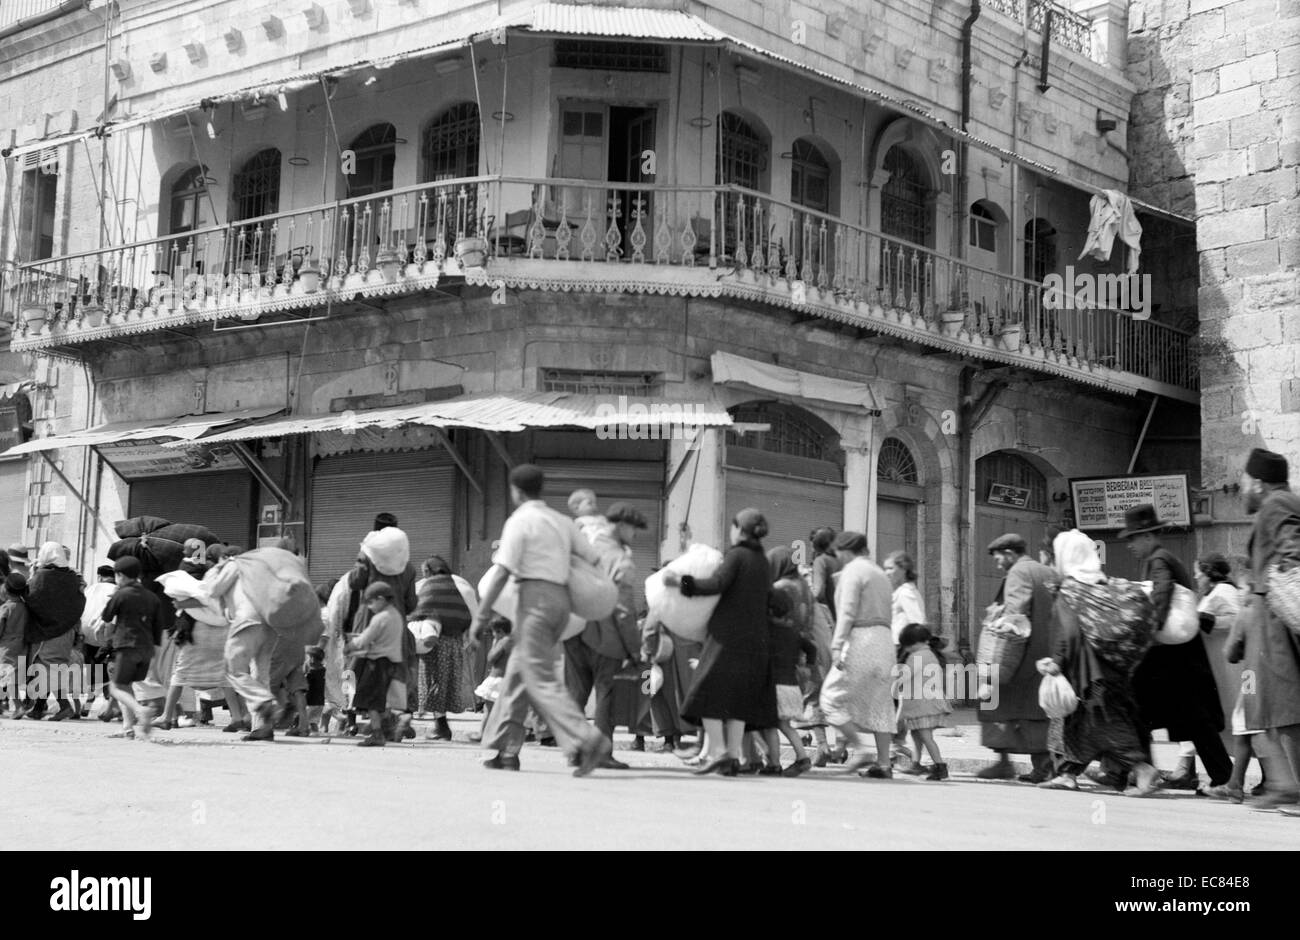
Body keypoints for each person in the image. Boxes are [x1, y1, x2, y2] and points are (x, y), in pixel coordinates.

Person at [473, 464, 613, 775]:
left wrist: (481, 616)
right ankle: (506, 751)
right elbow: (592, 558)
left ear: (515, 491)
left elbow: (502, 572)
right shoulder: (562, 521)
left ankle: (587, 739)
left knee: (539, 678)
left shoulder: (520, 521)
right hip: (562, 603)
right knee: (519, 674)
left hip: (534, 602)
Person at [1034, 530, 1161, 795]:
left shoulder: (1070, 589)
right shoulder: (1102, 585)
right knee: (1073, 723)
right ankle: (1067, 774)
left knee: (1102, 723)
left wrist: (1056, 662)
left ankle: (1142, 769)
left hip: (1090, 675)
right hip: (1111, 670)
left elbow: (1067, 632)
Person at [1123, 504, 1232, 792]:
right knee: (1194, 719)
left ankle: (1143, 774)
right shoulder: (1161, 557)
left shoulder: (1158, 560)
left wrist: (1148, 632)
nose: (1131, 545)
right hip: (1178, 657)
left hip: (1171, 658)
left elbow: (1161, 593)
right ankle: (1223, 777)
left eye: (1133, 538)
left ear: (1147, 536)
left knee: (1142, 709)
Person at [658, 509, 776, 776]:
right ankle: (732, 757)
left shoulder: (737, 555)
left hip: (728, 638)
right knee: (738, 701)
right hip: (756, 640)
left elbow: (716, 584)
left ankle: (720, 752)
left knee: (705, 692)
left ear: (738, 529)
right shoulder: (762, 561)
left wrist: (680, 581)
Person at [1236, 449, 1300, 815]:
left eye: (1244, 482)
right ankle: (1284, 785)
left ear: (1258, 483)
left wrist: (1287, 577)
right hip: (1268, 622)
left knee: (1286, 705)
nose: (1241, 489)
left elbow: (1292, 548)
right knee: (1267, 704)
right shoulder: (1279, 503)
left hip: (1276, 622)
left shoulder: (1277, 505)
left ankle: (1293, 788)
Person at [564, 501, 648, 770]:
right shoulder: (620, 560)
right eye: (634, 529)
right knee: (605, 693)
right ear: (622, 525)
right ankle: (601, 752)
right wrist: (635, 650)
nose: (635, 535)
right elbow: (623, 611)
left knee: (576, 692)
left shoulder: (585, 547)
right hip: (605, 636)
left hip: (575, 629)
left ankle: (575, 750)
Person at [977, 533, 1060, 783]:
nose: (997, 563)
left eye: (999, 557)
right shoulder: (1048, 572)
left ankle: (1005, 764)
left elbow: (1015, 617)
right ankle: (1042, 766)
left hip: (1018, 656)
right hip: (1045, 654)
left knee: (995, 703)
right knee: (1037, 711)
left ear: (1011, 554)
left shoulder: (1019, 573)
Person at [817, 531, 896, 778]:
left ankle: (861, 750)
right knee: (881, 704)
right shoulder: (880, 574)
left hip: (861, 639)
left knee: (830, 699)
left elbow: (848, 612)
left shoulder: (852, 572)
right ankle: (884, 764)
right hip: (885, 641)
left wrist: (837, 645)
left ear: (844, 550)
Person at [100, 556, 165, 740]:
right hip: (147, 649)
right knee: (127, 686)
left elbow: (106, 617)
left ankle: (140, 711)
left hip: (127, 646)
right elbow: (158, 629)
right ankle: (128, 729)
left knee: (115, 688)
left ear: (120, 575)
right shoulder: (152, 597)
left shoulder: (121, 594)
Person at [22, 543, 86, 721]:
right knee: (48, 668)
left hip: (48, 632)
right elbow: (80, 601)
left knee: (47, 669)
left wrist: (32, 577)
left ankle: (64, 706)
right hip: (66, 631)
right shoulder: (73, 577)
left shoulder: (43, 576)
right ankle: (38, 708)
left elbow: (32, 597)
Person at [412, 556, 473, 742]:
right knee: (445, 684)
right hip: (454, 643)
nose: (424, 575)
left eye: (425, 572)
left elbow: (422, 609)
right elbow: (464, 615)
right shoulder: (453, 585)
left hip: (435, 643)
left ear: (430, 570)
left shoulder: (431, 586)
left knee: (434, 682)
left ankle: (442, 727)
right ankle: (441, 726)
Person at [768, 546, 816, 776]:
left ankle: (772, 761)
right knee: (783, 719)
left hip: (779, 663)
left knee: (773, 720)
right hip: (796, 651)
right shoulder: (803, 584)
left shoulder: (780, 587)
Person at [344, 581, 405, 747]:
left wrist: (349, 646)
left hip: (376, 663)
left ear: (381, 599)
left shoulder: (380, 618)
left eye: (371, 602)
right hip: (392, 662)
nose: (370, 606)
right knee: (380, 698)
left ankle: (379, 733)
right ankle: (389, 724)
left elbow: (365, 638)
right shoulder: (397, 616)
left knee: (371, 700)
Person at [895, 623, 952, 780]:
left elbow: (905, 675)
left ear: (917, 643)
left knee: (926, 737)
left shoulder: (917, 656)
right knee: (917, 735)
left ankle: (940, 766)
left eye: (908, 645)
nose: (906, 649)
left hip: (923, 705)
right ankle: (916, 764)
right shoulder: (930, 654)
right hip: (926, 704)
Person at [885, 550, 926, 768]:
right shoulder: (901, 590)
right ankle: (896, 745)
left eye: (891, 568)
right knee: (895, 698)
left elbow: (918, 621)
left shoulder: (906, 592)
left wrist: (910, 650)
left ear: (904, 569)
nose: (887, 572)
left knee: (897, 699)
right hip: (899, 648)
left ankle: (897, 744)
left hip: (902, 649)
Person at [78, 565, 118, 719]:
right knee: (108, 671)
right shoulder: (116, 590)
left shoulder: (91, 589)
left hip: (88, 635)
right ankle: (109, 704)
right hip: (107, 636)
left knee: (93, 670)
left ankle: (89, 703)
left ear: (99, 576)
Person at [473, 618, 513, 740]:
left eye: (494, 632)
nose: (493, 635)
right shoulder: (513, 641)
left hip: (497, 679)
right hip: (508, 679)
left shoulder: (503, 642)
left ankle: (483, 734)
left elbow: (491, 658)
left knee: (488, 709)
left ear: (499, 631)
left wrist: (495, 643)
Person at [0, 572, 29, 717]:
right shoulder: (26, 608)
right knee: (13, 679)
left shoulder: (6, 608)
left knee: (8, 679)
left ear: (6, 589)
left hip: (6, 648)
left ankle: (18, 706)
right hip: (22, 646)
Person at [305, 646, 326, 733]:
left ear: (312, 659)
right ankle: (315, 732)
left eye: (309, 657)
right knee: (313, 721)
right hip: (320, 702)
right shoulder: (324, 671)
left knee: (303, 718)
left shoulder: (311, 673)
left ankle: (302, 730)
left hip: (310, 702)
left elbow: (306, 686)